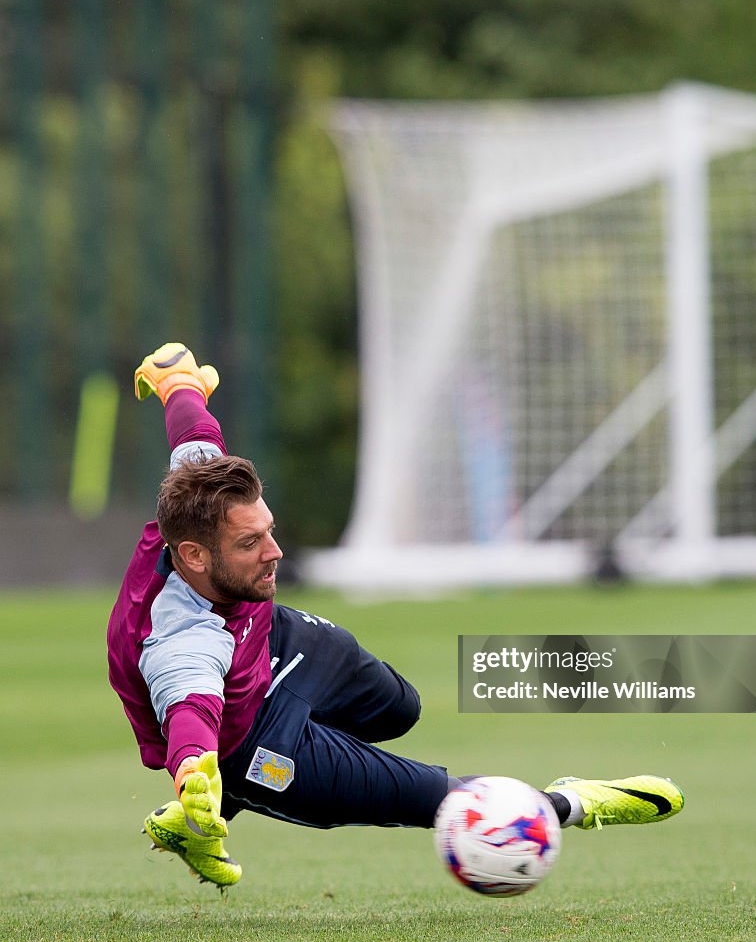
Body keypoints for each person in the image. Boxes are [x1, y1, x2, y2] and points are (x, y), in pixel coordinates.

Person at [107, 343, 684, 890]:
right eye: (251, 543)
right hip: (249, 741)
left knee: (397, 704)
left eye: (269, 530)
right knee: (446, 803)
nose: (275, 551)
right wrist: (193, 774)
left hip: (272, 645)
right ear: (194, 557)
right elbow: (190, 708)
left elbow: (193, 429)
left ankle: (211, 810)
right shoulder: (184, 641)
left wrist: (176, 377)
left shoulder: (195, 498)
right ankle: (568, 803)